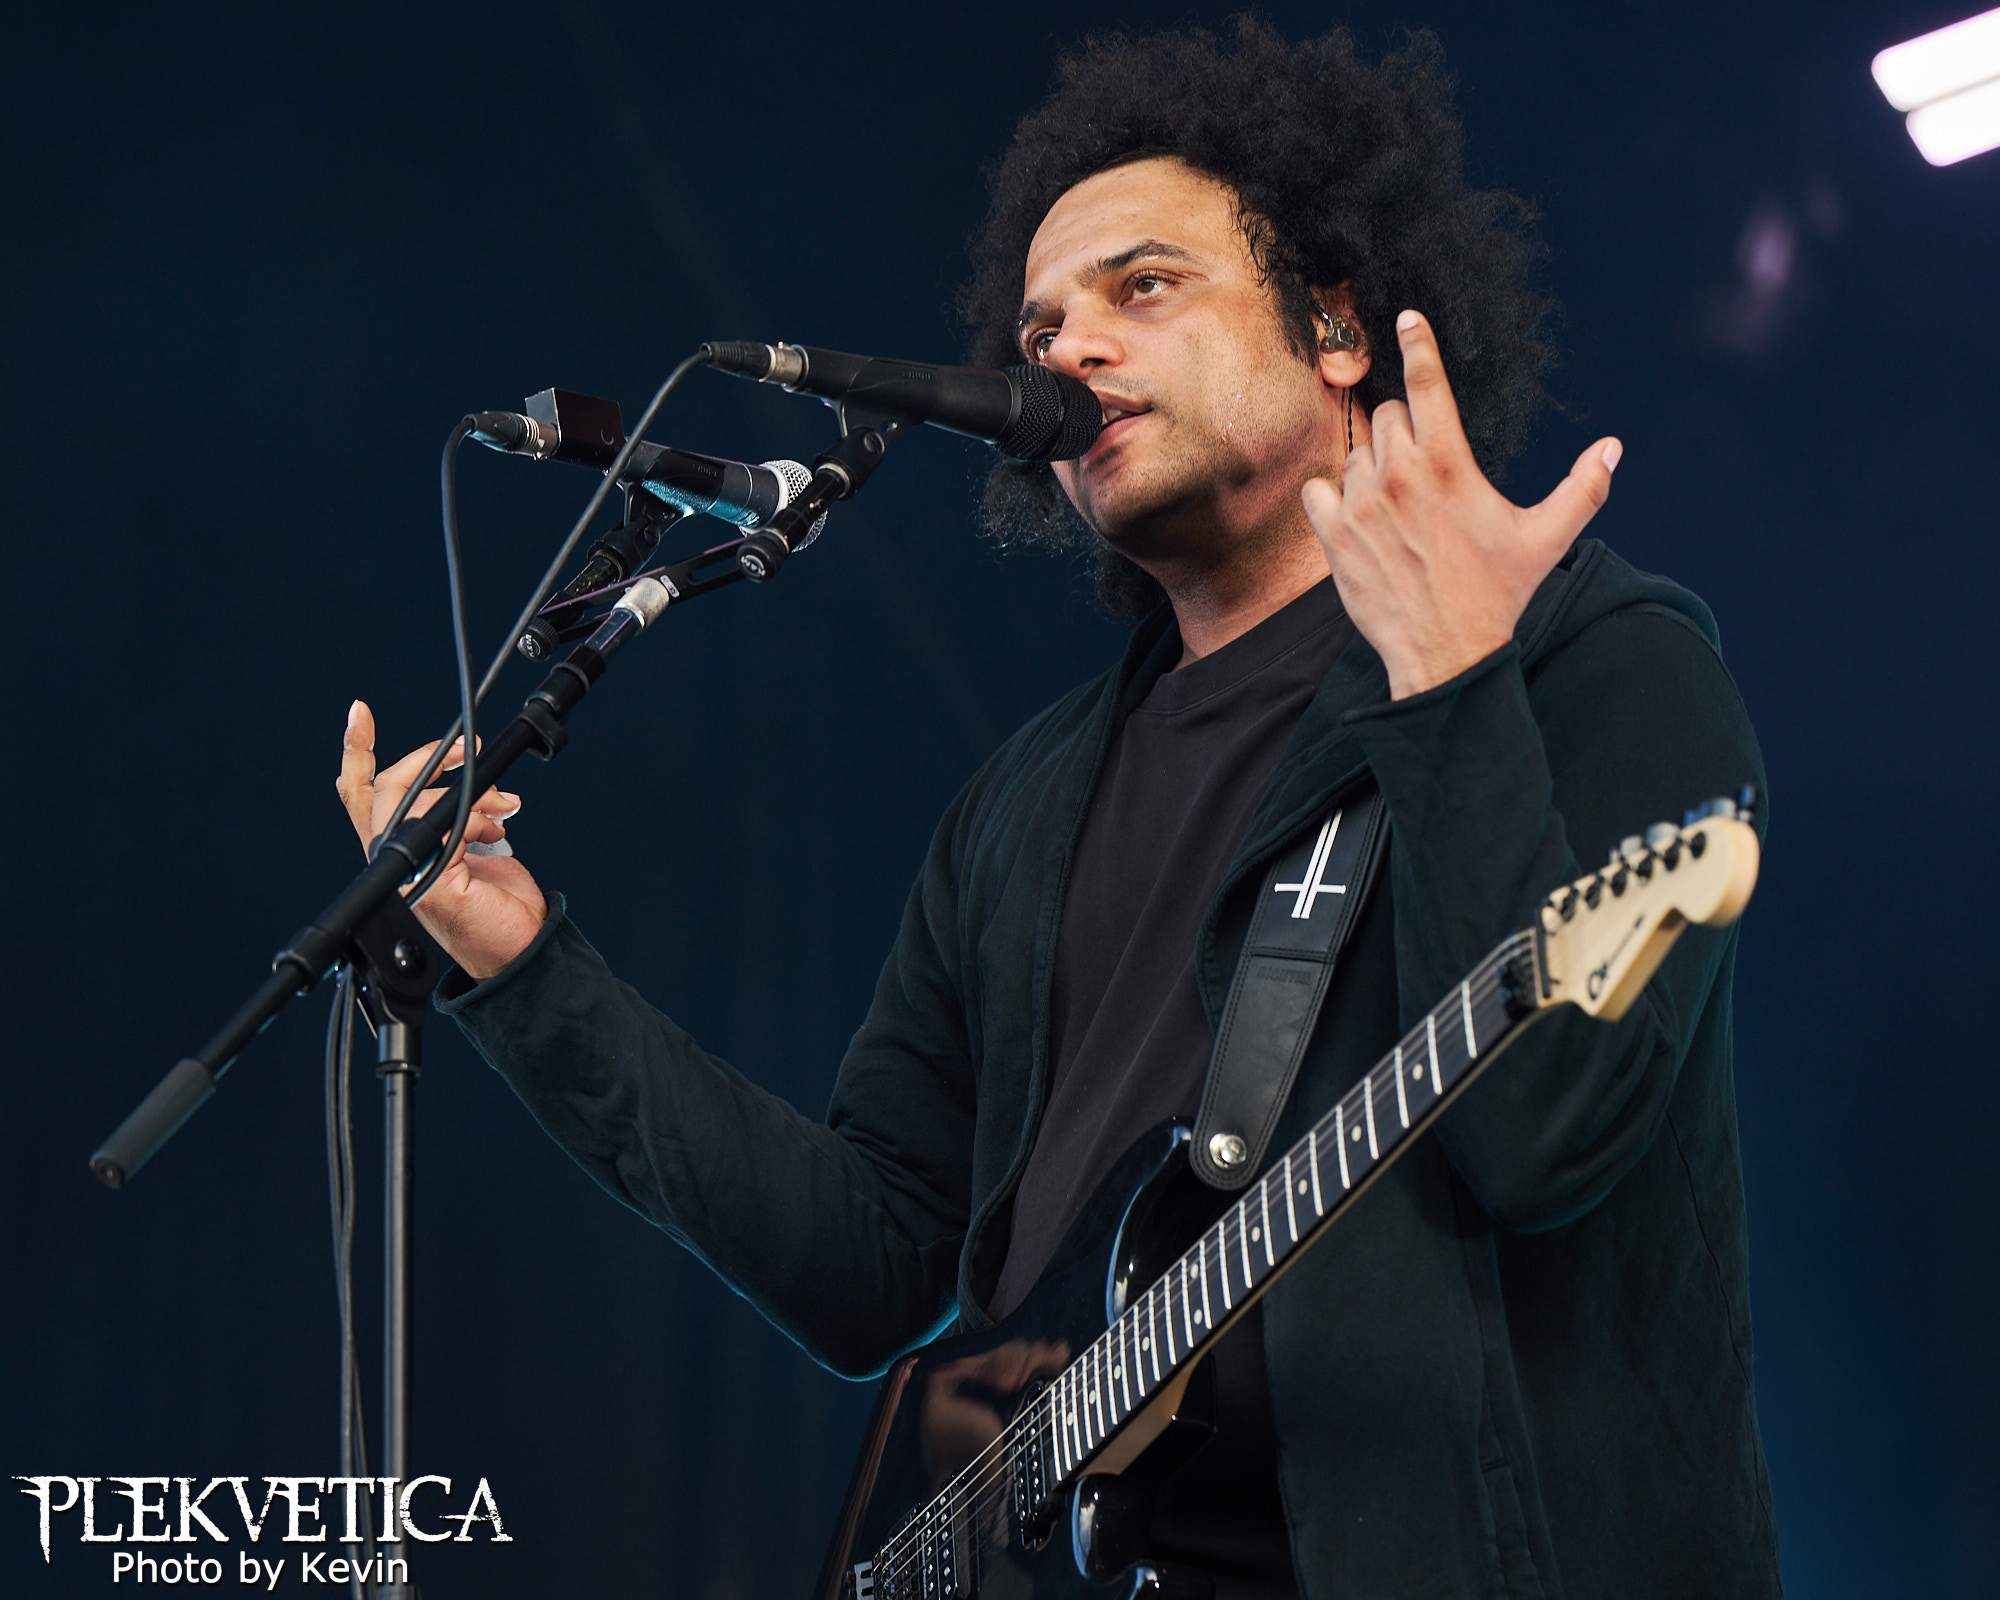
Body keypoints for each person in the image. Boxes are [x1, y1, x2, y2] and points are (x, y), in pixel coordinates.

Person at [334, 21, 1779, 1599]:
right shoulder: (1018, 806)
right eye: (1040, 327)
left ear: (1338, 328)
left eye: (1142, 288)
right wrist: (527, 964)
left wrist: (1444, 682)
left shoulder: (1592, 659)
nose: (1067, 349)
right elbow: (871, 1266)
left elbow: (1550, 1136)